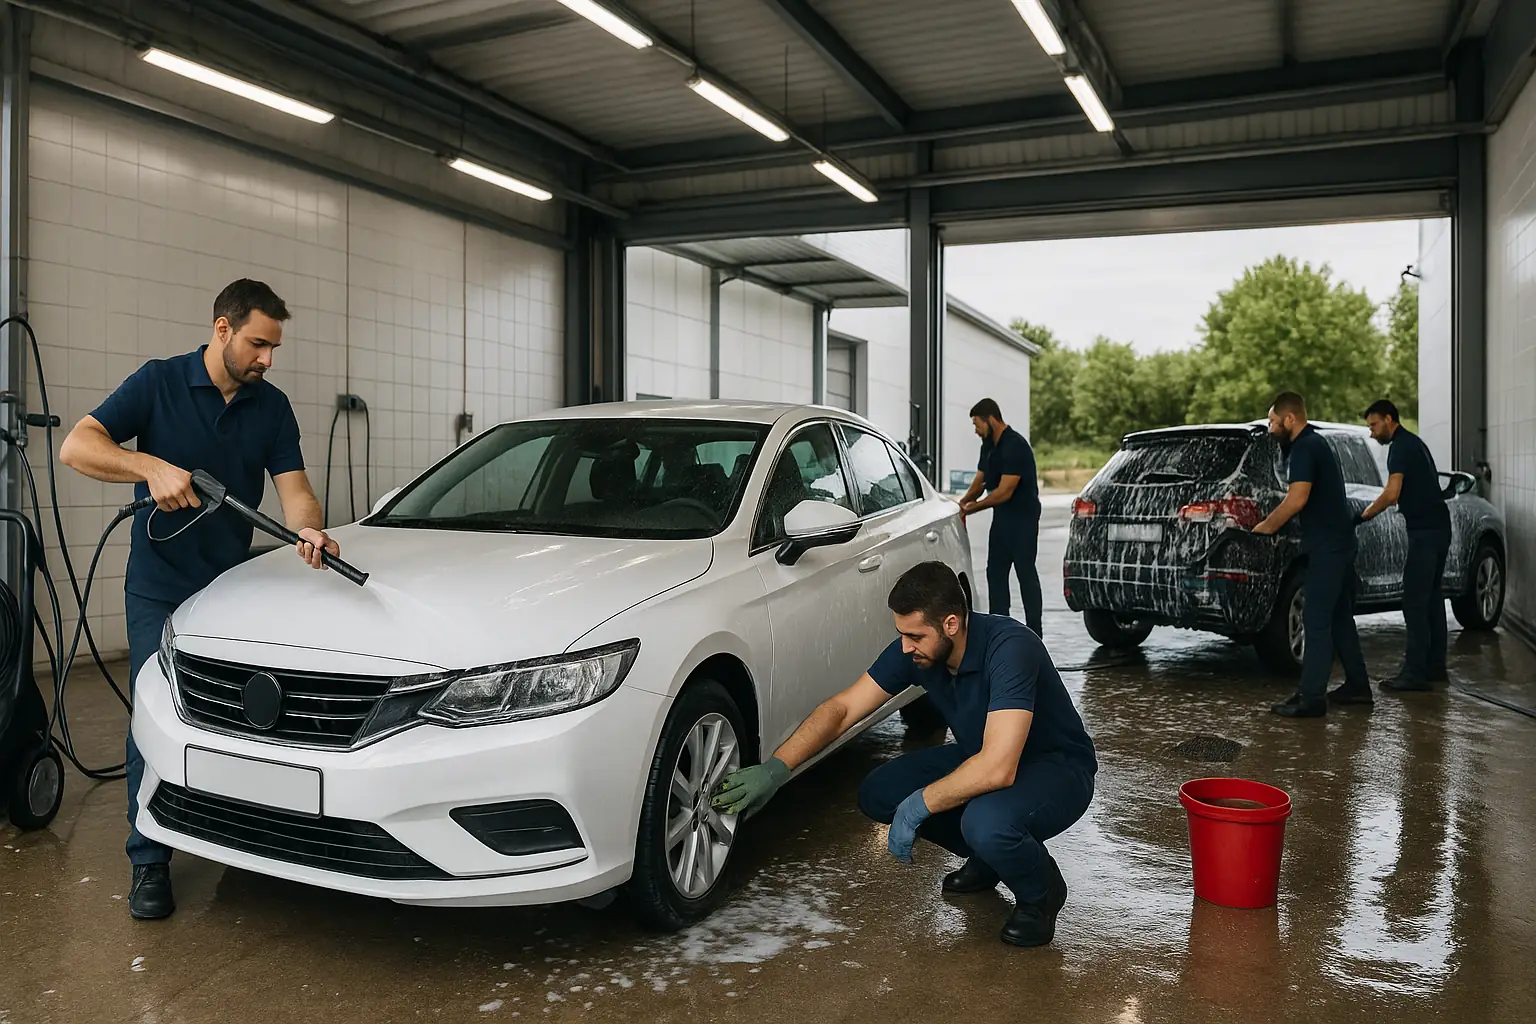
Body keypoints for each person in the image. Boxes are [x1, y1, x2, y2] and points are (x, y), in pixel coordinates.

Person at [59, 279, 340, 921]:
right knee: (155, 715)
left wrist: (308, 527)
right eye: (258, 343)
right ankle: (148, 861)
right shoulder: (159, 382)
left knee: (237, 717)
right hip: (159, 586)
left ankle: (230, 832)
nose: (268, 358)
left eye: (274, 346)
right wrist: (148, 467)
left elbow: (295, 491)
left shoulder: (271, 408)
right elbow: (79, 445)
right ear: (222, 328)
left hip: (230, 591)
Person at [711, 561, 1096, 948]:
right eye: (902, 634)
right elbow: (843, 708)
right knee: (881, 792)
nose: (905, 646)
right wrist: (777, 769)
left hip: (1056, 769)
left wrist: (921, 804)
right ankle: (991, 855)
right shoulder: (917, 652)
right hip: (983, 758)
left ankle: (1040, 892)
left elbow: (998, 768)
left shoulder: (1011, 648)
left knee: (985, 821)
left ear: (951, 624)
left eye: (914, 635)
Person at [1251, 391, 1373, 717]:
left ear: (1290, 419)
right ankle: (1359, 687)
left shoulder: (1305, 447)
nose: (1271, 427)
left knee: (1315, 620)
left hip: (1329, 548)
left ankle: (1311, 698)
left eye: (1274, 421)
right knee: (1339, 619)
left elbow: (1297, 499)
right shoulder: (1315, 444)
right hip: (1340, 542)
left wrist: (1265, 526)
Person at [1359, 399, 1451, 690]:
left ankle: (1414, 674)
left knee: (1414, 602)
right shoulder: (1415, 442)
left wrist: (1364, 515)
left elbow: (1391, 493)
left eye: (1374, 425)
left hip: (1425, 532)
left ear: (1389, 419)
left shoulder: (1399, 448)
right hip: (1439, 528)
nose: (1372, 433)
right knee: (1432, 599)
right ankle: (1436, 667)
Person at [957, 399, 1043, 636]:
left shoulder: (1015, 445)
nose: (976, 430)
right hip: (1003, 518)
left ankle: (1035, 633)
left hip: (1023, 518)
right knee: (995, 572)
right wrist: (962, 503)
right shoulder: (989, 445)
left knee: (1025, 573)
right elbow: (980, 481)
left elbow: (1004, 492)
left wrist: (971, 509)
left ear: (990, 419)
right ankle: (1000, 631)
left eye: (977, 424)